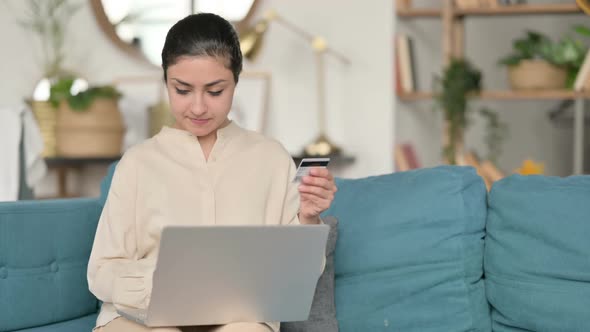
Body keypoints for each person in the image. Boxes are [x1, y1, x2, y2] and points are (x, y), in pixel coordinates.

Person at [87, 12, 337, 332]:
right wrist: (162, 284)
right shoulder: (137, 163)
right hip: (141, 318)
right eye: (182, 89)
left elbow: (299, 274)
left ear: (235, 82)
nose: (199, 107)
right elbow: (101, 271)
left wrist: (309, 219)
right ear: (165, 82)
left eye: (215, 91)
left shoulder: (271, 158)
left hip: (239, 318)